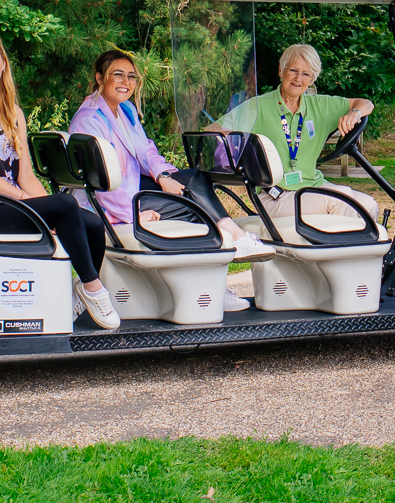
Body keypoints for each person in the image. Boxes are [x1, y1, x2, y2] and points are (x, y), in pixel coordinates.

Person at [69, 49, 273, 311]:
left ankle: (230, 245)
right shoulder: (88, 120)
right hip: (110, 204)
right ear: (99, 78)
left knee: (193, 179)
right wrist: (133, 216)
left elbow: (146, 151)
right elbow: (101, 184)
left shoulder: (126, 110)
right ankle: (215, 284)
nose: (126, 82)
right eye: (117, 75)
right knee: (193, 208)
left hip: (132, 188)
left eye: (131, 77)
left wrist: (164, 176)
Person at [0, 31, 119, 330]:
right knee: (64, 204)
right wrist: (29, 203)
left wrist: (41, 206)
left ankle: (82, 287)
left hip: (10, 203)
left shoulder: (14, 113)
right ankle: (94, 289)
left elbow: (25, 175)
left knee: (90, 222)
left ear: (3, 64)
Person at [214, 42, 380, 228]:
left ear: (312, 78)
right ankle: (331, 255)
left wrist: (354, 114)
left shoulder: (320, 105)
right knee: (342, 200)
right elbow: (212, 130)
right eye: (293, 70)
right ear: (281, 71)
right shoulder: (258, 106)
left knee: (368, 206)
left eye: (306, 74)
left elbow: (365, 103)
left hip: (313, 186)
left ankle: (342, 255)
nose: (298, 78)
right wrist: (238, 144)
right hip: (275, 195)